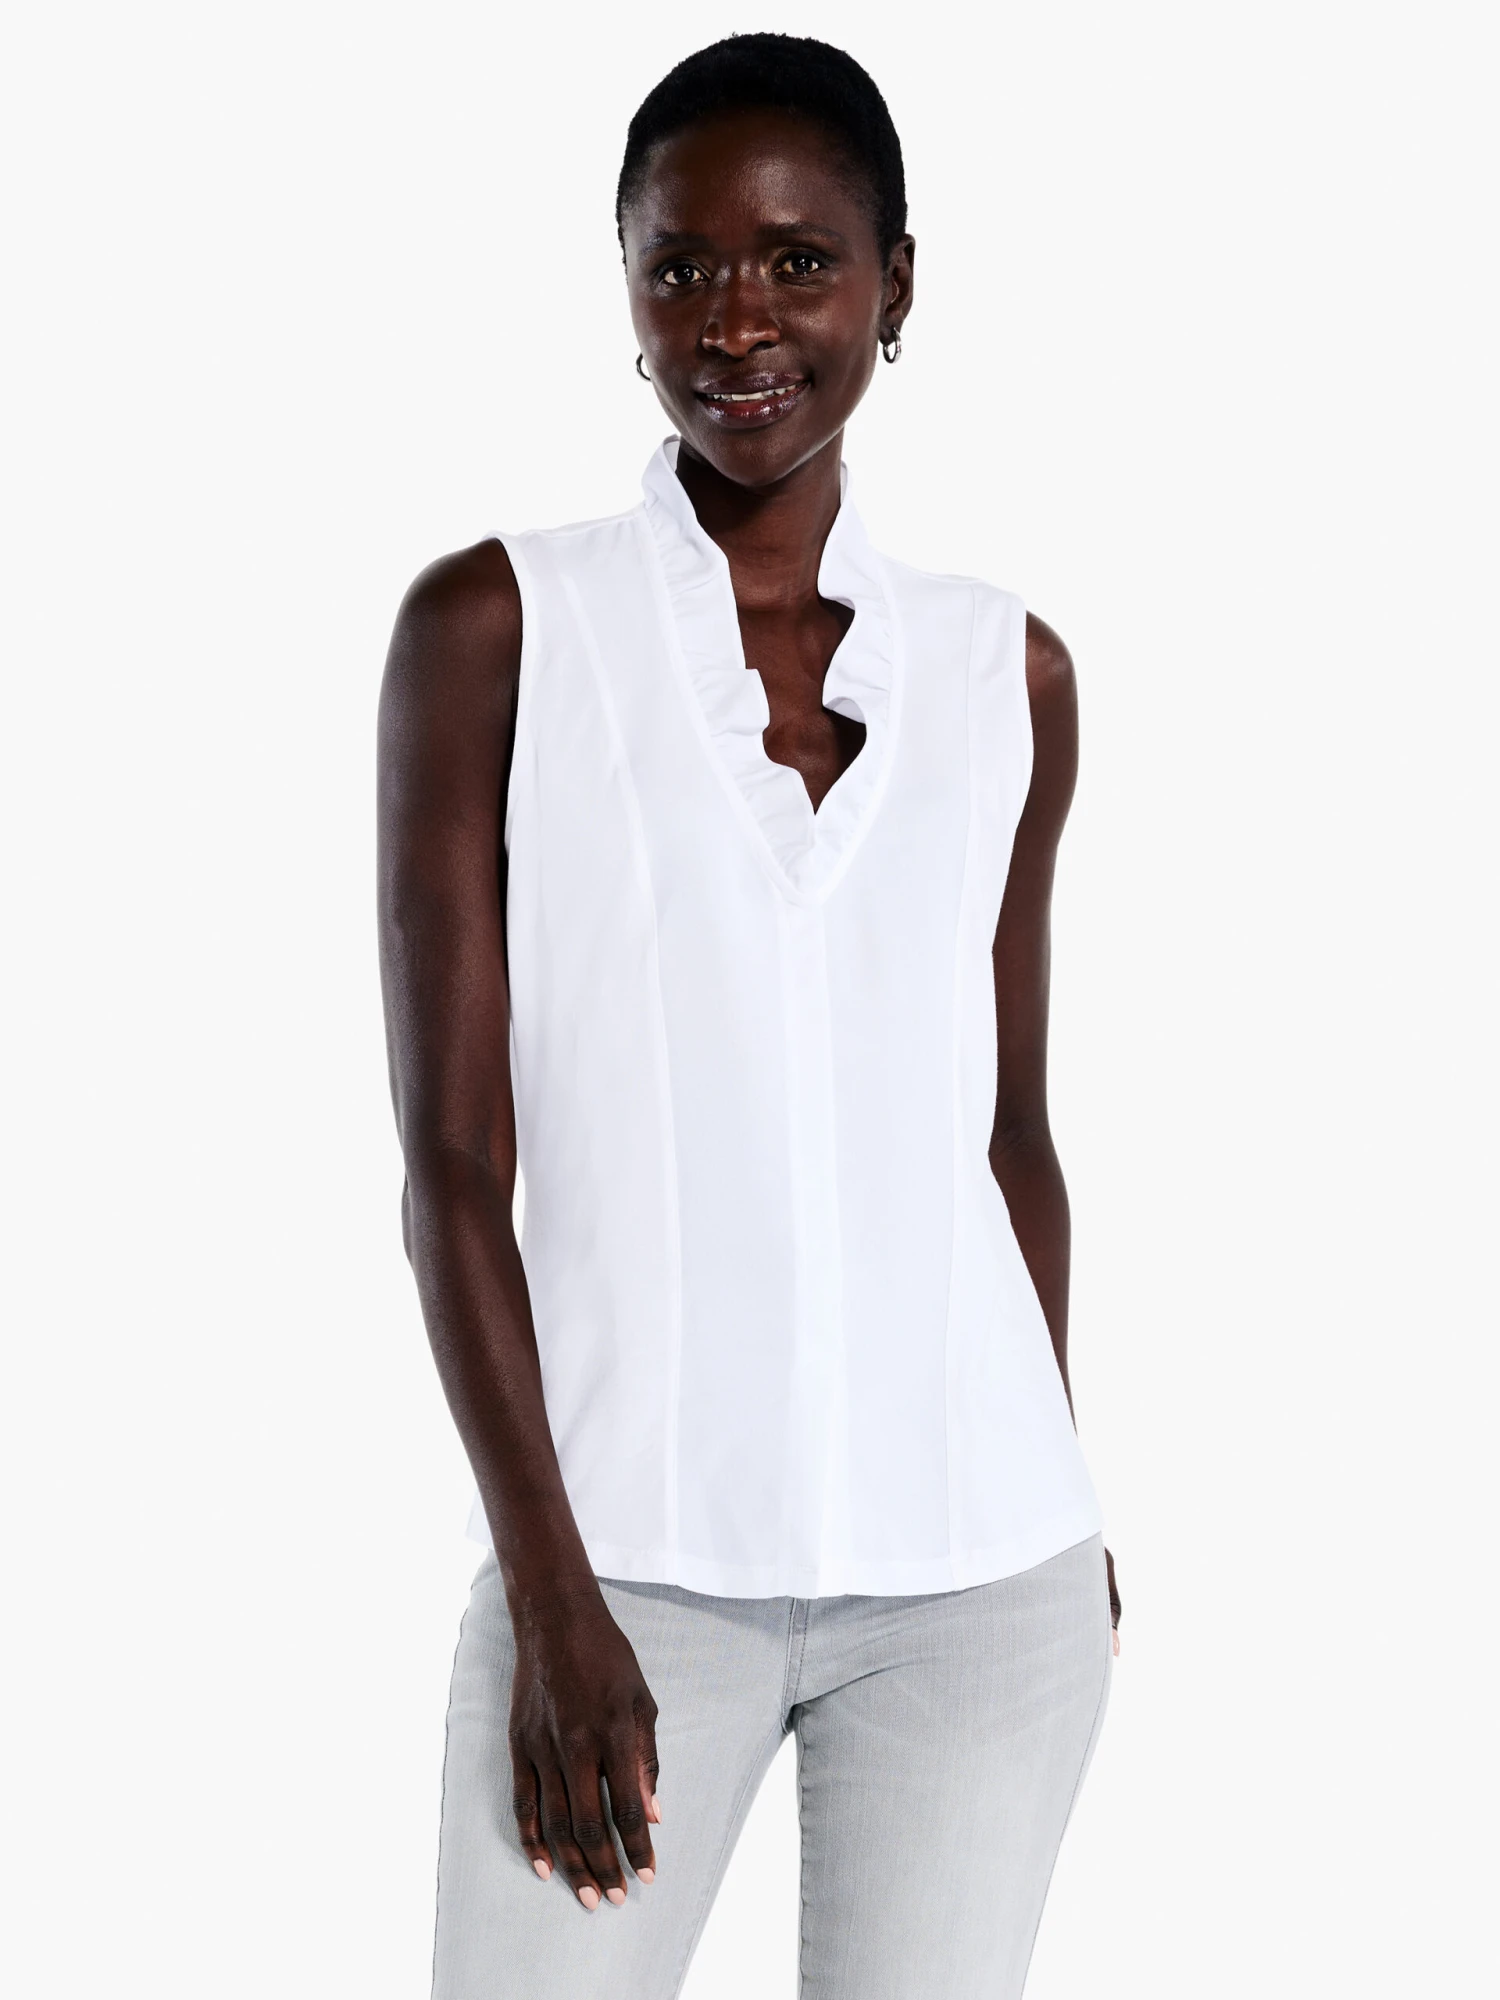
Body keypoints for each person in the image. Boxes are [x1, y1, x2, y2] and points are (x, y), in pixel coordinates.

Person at [377, 32, 1122, 1999]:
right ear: (624, 296)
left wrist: (1061, 1480)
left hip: (981, 1587)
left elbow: (1007, 1137)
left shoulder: (1007, 674)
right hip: (622, 1574)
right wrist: (549, 1600)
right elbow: (451, 1168)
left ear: (895, 281)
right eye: (682, 266)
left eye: (799, 261)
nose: (737, 321)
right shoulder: (495, 629)